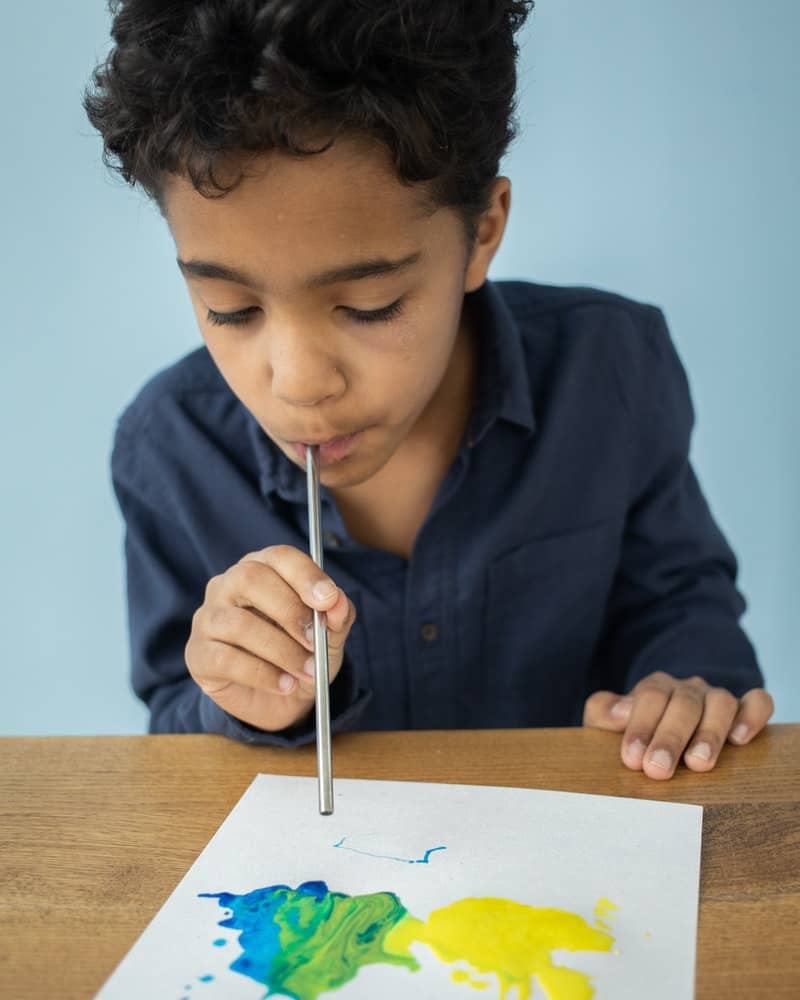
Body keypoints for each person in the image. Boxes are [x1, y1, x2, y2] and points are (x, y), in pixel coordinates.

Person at [84, 0, 773, 780]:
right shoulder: (170, 449)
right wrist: (243, 698)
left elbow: (678, 600)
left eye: (370, 306)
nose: (300, 383)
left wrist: (684, 686)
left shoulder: (612, 370)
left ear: (482, 230)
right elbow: (174, 718)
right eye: (230, 310)